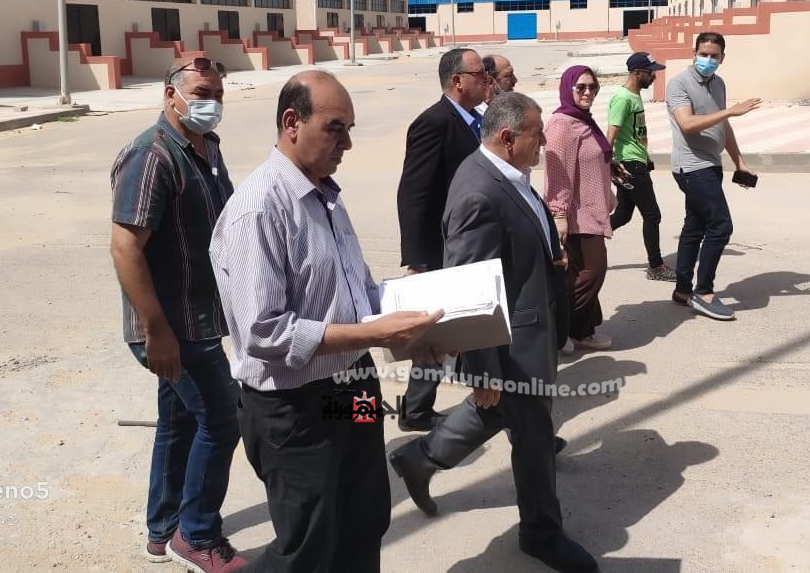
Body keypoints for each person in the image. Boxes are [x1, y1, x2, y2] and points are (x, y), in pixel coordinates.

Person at [211, 71, 442, 572]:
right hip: (295, 408)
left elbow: (356, 293)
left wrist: (420, 330)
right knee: (308, 546)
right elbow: (264, 332)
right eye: (335, 128)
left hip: (354, 387)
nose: (347, 144)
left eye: (349, 129)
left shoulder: (325, 196)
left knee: (365, 517)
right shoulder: (259, 209)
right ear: (292, 122)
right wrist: (374, 333)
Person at [389, 92, 599, 573]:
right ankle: (541, 534)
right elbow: (469, 290)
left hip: (529, 331)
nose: (543, 142)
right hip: (512, 344)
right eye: (537, 135)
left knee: (503, 414)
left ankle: (420, 458)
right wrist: (483, 372)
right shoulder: (479, 192)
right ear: (508, 137)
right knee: (534, 436)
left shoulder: (507, 173)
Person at [108, 56, 246, 571]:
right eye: (201, 94)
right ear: (171, 95)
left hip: (197, 317)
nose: (212, 104)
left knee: (179, 422)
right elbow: (125, 248)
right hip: (172, 327)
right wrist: (156, 332)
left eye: (218, 95)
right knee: (224, 419)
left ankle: (162, 530)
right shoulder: (152, 156)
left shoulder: (206, 147)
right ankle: (197, 535)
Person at [395, 47, 489, 431]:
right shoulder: (433, 123)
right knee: (436, 333)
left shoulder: (475, 120)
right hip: (442, 251)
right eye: (480, 74)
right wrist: (417, 260)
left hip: (470, 244)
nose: (486, 79)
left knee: (465, 328)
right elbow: (413, 193)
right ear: (457, 81)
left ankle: (431, 404)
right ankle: (416, 411)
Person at [666, 32, 761, 321]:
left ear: (722, 57)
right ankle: (704, 292)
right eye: (703, 54)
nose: (708, 59)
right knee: (720, 225)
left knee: (694, 227)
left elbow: (724, 126)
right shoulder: (679, 84)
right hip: (691, 166)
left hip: (711, 164)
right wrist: (730, 112)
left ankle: (683, 290)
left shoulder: (718, 83)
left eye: (714, 56)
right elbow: (687, 123)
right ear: (694, 53)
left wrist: (739, 162)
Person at [543, 65, 616, 354]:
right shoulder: (562, 124)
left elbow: (592, 163)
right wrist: (559, 213)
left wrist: (608, 191)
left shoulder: (583, 120)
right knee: (593, 271)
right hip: (575, 213)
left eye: (593, 87)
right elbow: (558, 172)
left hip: (590, 209)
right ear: (568, 87)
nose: (588, 92)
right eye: (581, 87)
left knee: (577, 274)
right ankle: (559, 328)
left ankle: (583, 330)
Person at [607, 52, 676, 282]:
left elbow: (634, 134)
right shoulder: (622, 98)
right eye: (650, 72)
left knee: (623, 215)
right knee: (652, 215)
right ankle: (655, 266)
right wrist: (607, 163)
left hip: (636, 161)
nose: (654, 76)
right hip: (629, 165)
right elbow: (612, 133)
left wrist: (645, 157)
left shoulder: (634, 96)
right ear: (637, 73)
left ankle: (583, 243)